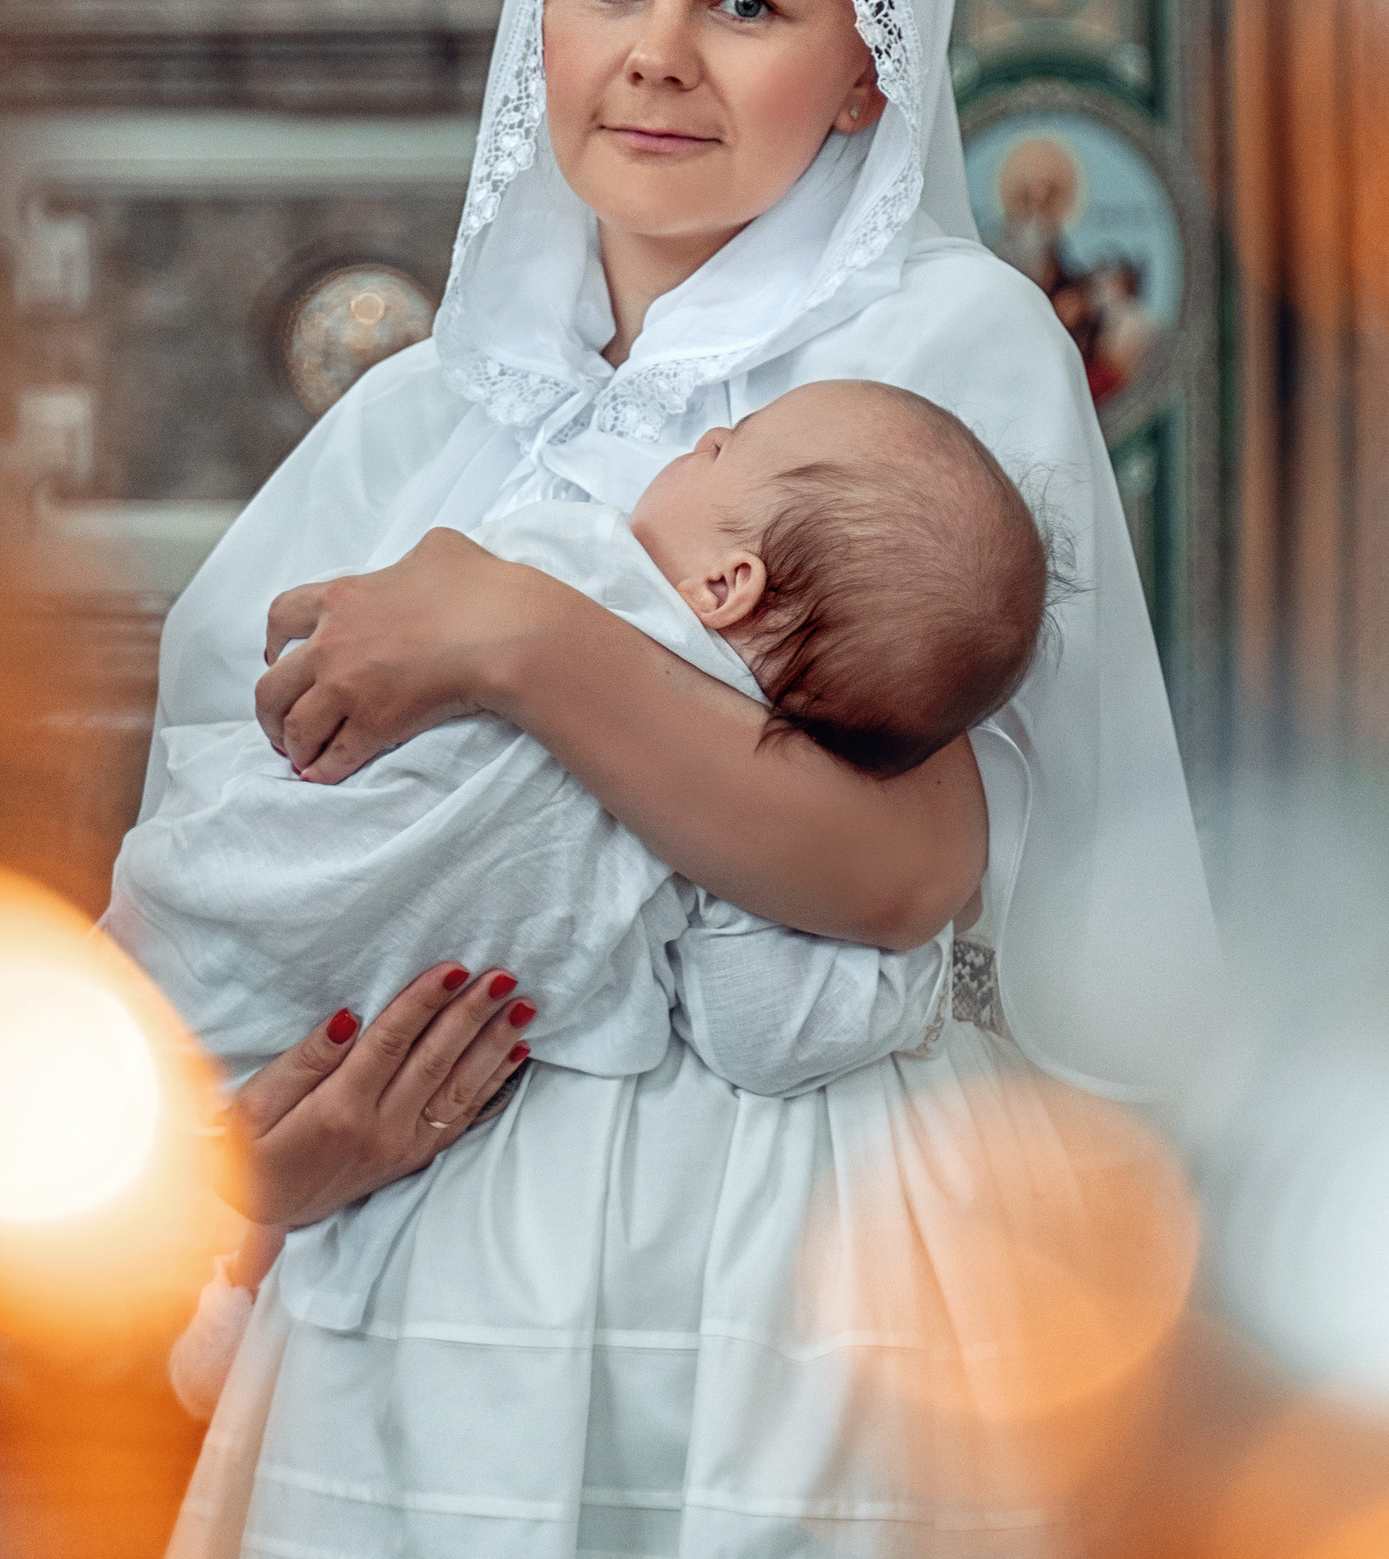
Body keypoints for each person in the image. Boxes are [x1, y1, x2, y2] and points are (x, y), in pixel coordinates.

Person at [28, 0, 1278, 1559]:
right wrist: (264, 1153)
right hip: (438, 1249)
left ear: (870, 54)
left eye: (747, 2)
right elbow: (246, 818)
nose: (660, 61)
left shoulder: (933, 353)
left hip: (796, 1259)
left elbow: (903, 859)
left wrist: (513, 630)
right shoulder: (427, 410)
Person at [117, 376, 1048, 1400]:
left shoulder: (558, 557)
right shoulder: (726, 805)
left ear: (729, 582)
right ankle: (222, 1287)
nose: (708, 433)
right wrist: (912, 986)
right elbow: (769, 1031)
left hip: (218, 902)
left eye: (727, 446)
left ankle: (214, 1273)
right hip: (561, 1246)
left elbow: (907, 869)